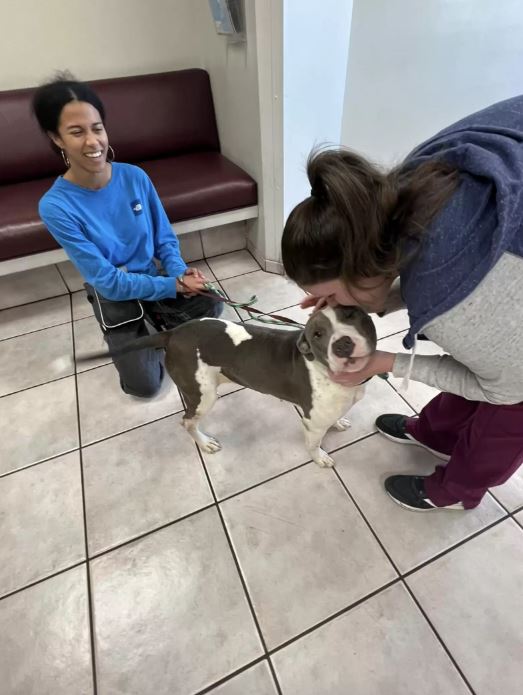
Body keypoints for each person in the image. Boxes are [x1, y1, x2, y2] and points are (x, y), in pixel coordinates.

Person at [281, 96, 523, 512]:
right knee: (484, 356)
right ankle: (437, 433)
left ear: (362, 264)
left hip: (511, 360)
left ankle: (456, 490)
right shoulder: (401, 189)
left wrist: (386, 362)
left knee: (505, 416)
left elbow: (505, 387)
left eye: (334, 296)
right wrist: (367, 299)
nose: (331, 307)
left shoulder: (458, 304)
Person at [32, 74, 221, 398]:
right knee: (144, 386)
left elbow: (164, 239)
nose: (93, 142)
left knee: (212, 305)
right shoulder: (55, 206)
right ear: (57, 138)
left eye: (97, 128)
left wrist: (179, 274)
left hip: (153, 275)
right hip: (112, 291)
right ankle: (142, 330)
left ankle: (162, 322)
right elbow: (108, 282)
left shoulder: (135, 177)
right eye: (76, 132)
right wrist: (173, 285)